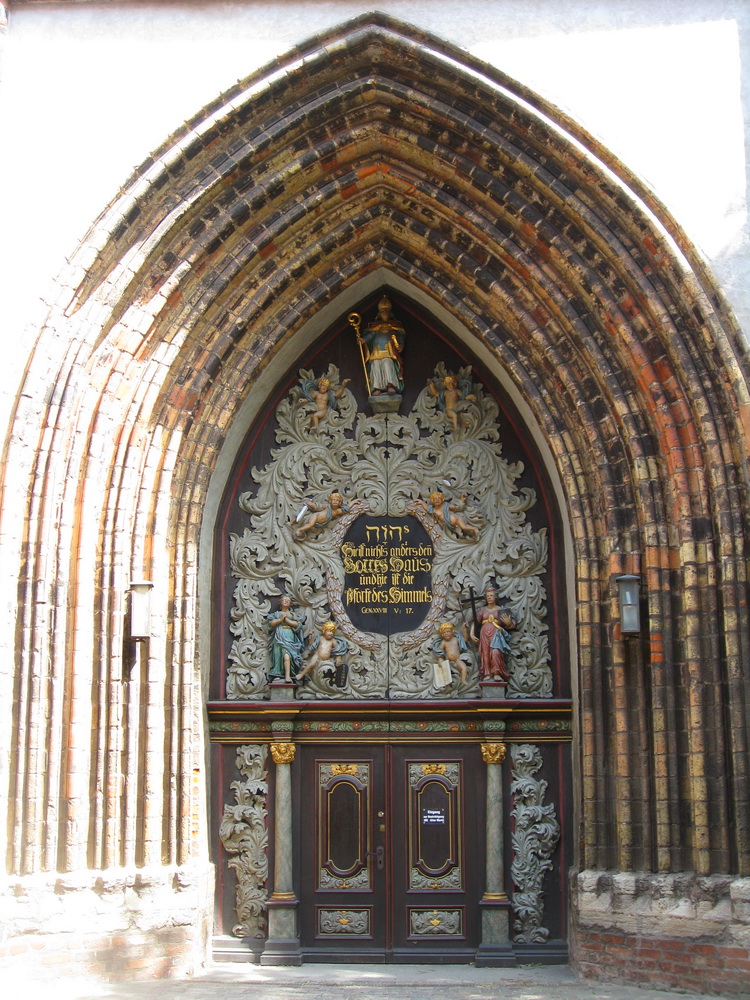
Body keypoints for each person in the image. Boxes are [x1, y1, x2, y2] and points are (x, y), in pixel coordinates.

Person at [359, 295, 405, 395]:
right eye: (382, 311)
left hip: (389, 351)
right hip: (376, 351)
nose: (384, 313)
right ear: (379, 314)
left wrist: (400, 346)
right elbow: (370, 336)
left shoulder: (394, 326)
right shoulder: (376, 327)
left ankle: (390, 385)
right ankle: (377, 387)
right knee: (376, 366)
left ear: (390, 313)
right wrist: (363, 340)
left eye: (386, 311)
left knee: (387, 364)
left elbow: (400, 337)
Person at [469, 587, 516, 682]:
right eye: (488, 596)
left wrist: (508, 623)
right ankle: (487, 673)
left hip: (496, 633)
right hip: (484, 633)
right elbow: (475, 622)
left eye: (492, 595)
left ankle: (496, 672)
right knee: (485, 653)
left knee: (496, 651)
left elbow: (511, 624)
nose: (490, 598)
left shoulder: (501, 609)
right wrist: (471, 634)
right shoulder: (483, 610)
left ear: (495, 597)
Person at [266, 596, 305, 682]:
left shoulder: (292, 614)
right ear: (280, 602)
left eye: (288, 601)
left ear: (291, 604)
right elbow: (271, 624)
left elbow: (298, 624)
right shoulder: (276, 614)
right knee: (278, 655)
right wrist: (280, 620)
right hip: (278, 636)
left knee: (287, 654)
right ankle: (278, 673)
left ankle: (288, 675)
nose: (286, 602)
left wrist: (287, 620)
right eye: (284, 600)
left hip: (289, 635)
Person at [416, 490, 480, 540]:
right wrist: (421, 502)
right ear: (432, 501)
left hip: (457, 519)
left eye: (439, 498)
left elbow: (456, 507)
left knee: (464, 527)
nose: (437, 500)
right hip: (451, 526)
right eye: (435, 498)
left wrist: (462, 500)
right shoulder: (434, 510)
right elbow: (427, 507)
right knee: (462, 531)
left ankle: (475, 529)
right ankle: (471, 535)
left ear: (442, 500)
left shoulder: (446, 505)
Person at [432, 621, 470, 686]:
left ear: (452, 632)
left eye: (448, 631)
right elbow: (439, 651)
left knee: (464, 668)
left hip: (457, 660)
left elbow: (465, 639)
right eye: (444, 633)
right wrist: (440, 659)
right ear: (442, 634)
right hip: (448, 662)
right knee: (446, 673)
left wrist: (464, 629)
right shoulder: (444, 642)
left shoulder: (456, 639)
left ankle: (463, 680)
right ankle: (448, 683)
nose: (446, 634)